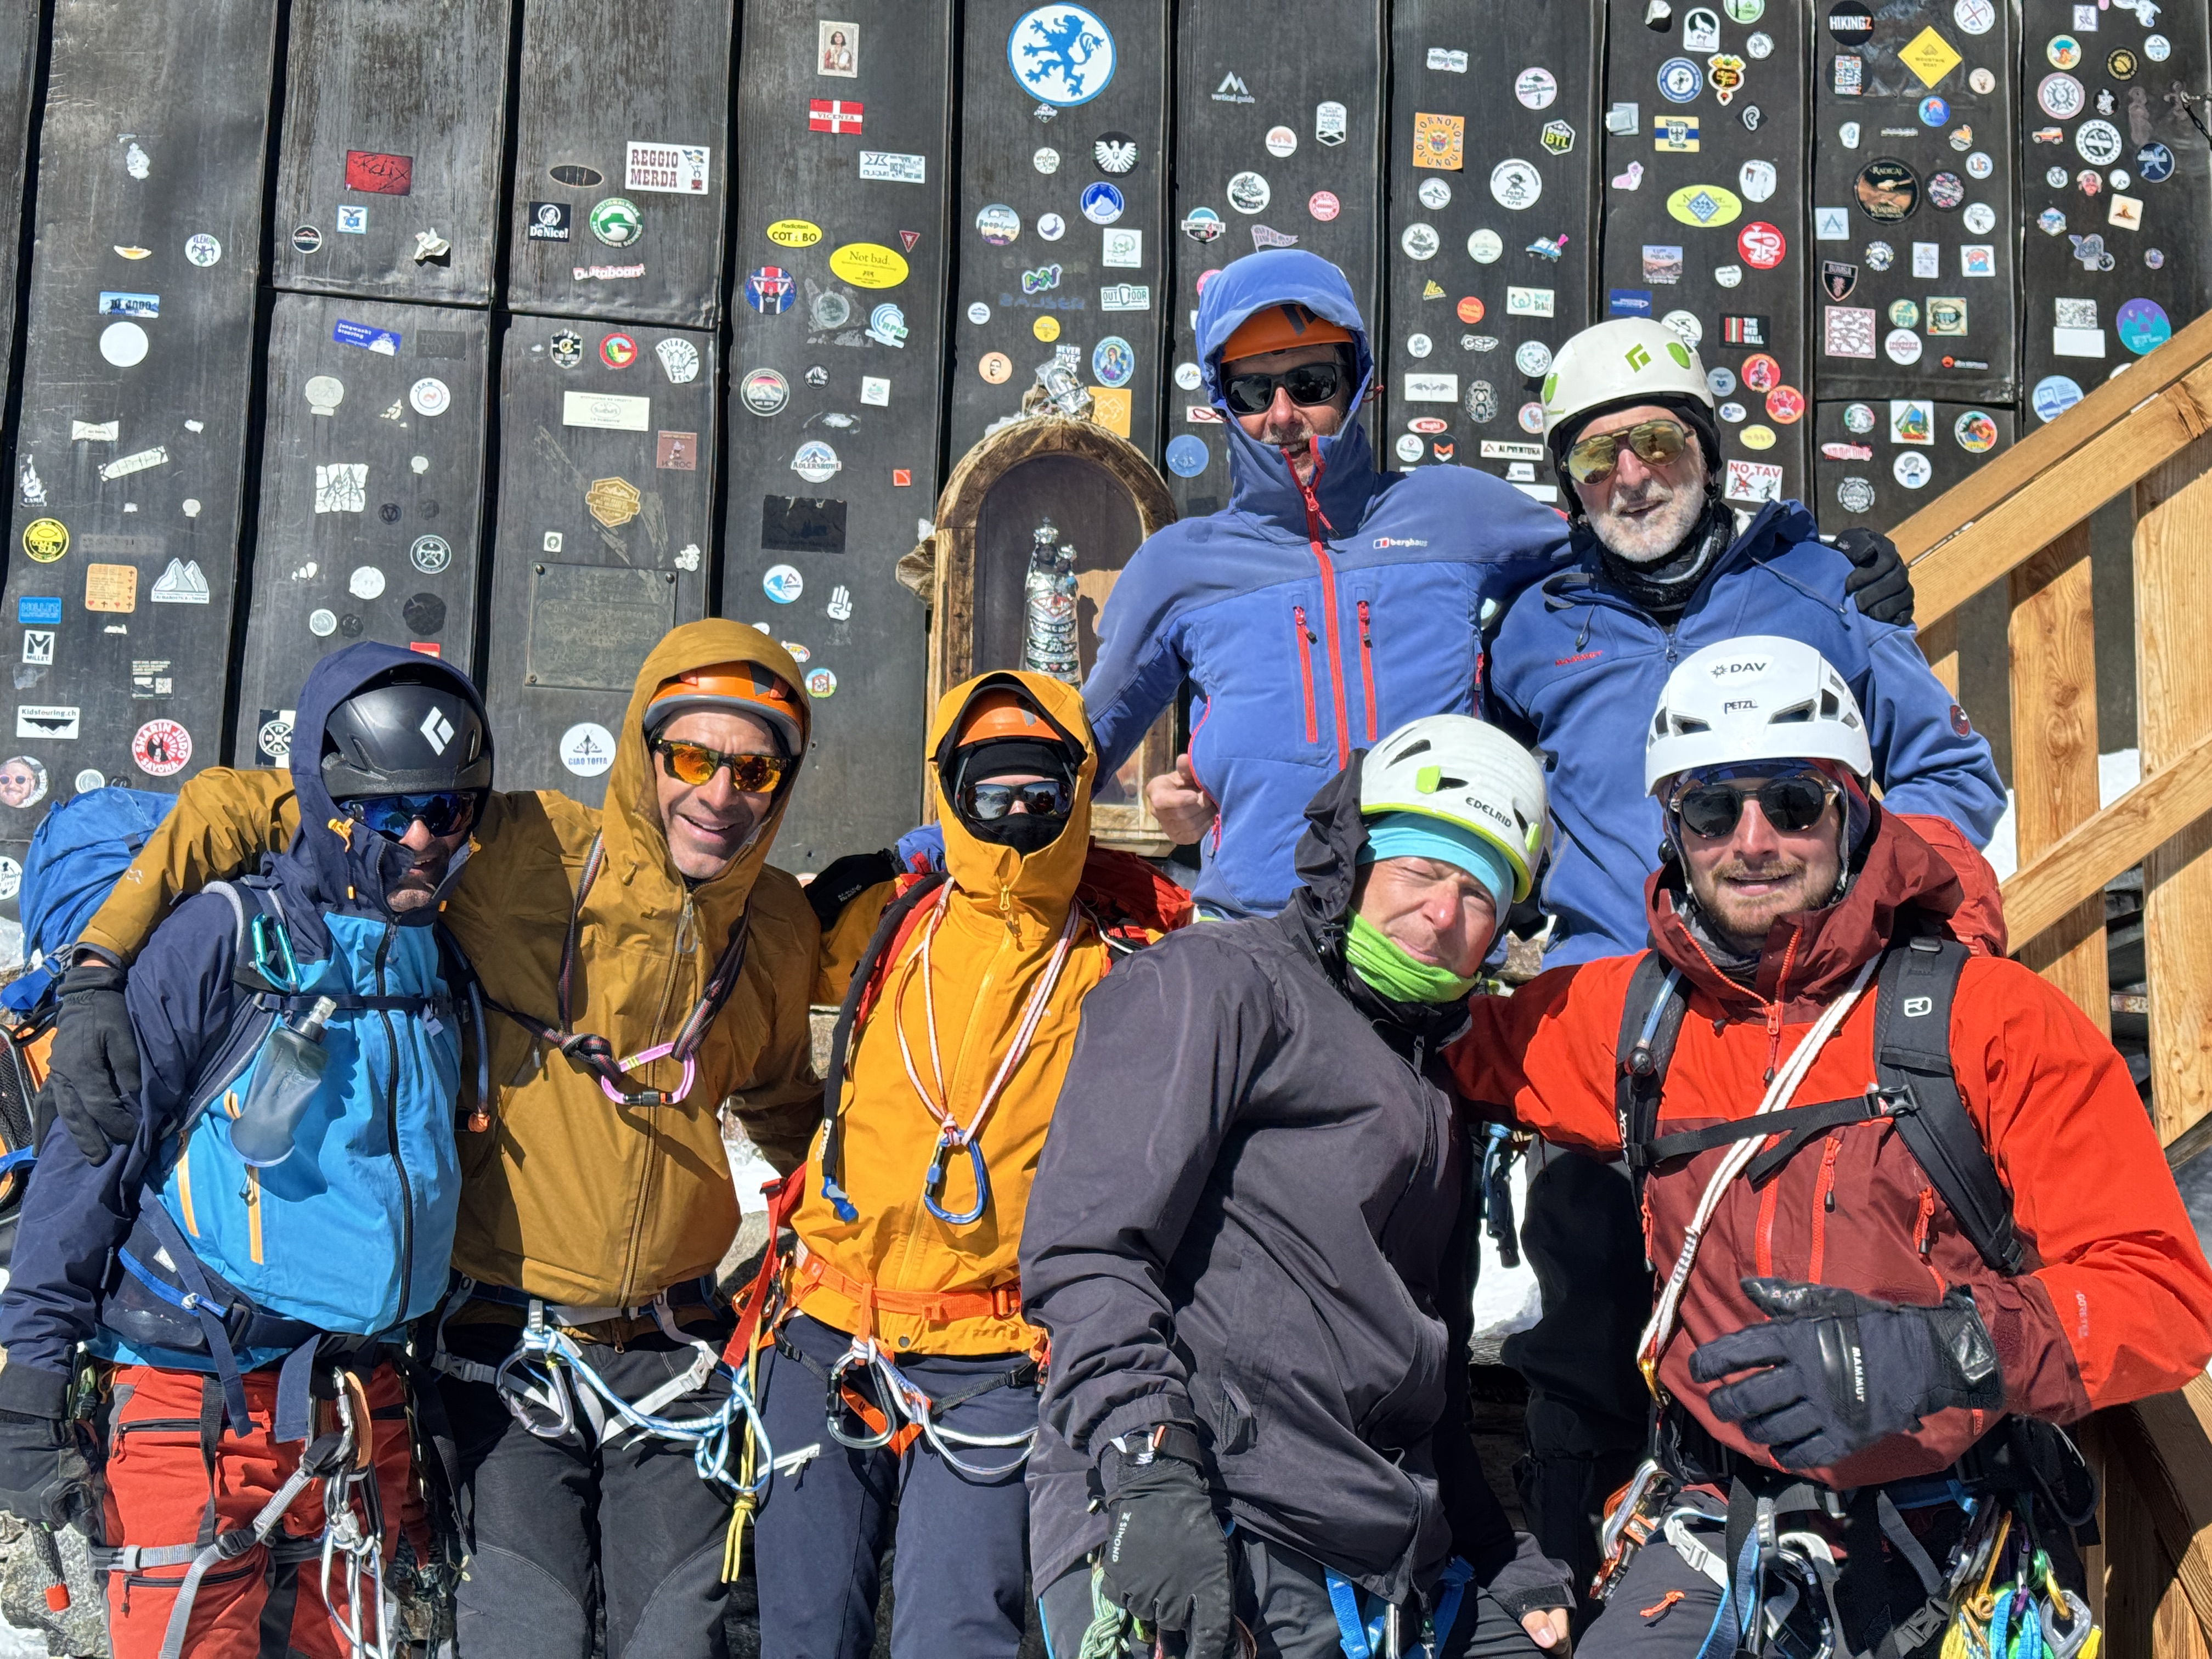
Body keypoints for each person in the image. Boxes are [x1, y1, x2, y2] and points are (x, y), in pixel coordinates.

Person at [38, 622, 823, 1659]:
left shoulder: (777, 926)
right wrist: (100, 962)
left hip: (665, 1349)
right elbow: (258, 801)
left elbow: (785, 1104)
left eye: (756, 769)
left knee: (678, 1636)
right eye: (690, 757)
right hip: (502, 1345)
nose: (719, 793)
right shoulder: (530, 853)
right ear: (645, 750)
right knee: (525, 1634)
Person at [1444, 639, 2212, 1659]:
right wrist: (1323, 928)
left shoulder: (1990, 1021)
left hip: (1949, 1535)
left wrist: (1948, 1350)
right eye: (1712, 811)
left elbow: (2162, 1296)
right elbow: (1426, 1033)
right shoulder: (1632, 1020)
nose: (1753, 841)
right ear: (1673, 831)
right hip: (1715, 1524)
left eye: (1793, 803)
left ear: (1852, 809)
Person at [1479, 315, 2010, 1607]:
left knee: (1794, 1305)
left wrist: (1880, 911)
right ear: (1567, 486)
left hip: (1803, 1018)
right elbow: (1502, 797)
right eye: (1597, 460)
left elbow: (1950, 772)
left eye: (1659, 445)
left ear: (1711, 454)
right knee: (1586, 1305)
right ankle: (1579, 1577)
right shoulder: (1536, 629)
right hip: (1615, 1021)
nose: (1633, 480)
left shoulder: (1816, 590)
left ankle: (1823, 1582)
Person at [1081, 251, 1914, 923]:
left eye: (1312, 384)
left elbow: (1631, 530)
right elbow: (1078, 751)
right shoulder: (1179, 566)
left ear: (1358, 380)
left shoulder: (1453, 511)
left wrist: (1818, 556)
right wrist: (1148, 817)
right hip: (1255, 927)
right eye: (1252, 391)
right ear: (1222, 402)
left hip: (1429, 938)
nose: (1283, 415)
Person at [1021, 715, 1577, 1659]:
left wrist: (1493, 1550)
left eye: (1479, 893)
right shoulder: (1216, 983)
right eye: (1418, 870)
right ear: (1351, 859)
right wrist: (1150, 1471)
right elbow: (1089, 1250)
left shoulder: (1434, 1083)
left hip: (1369, 1546)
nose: (1441, 914)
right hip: (1206, 1508)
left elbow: (1425, 1364)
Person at [0, 644, 489, 1657]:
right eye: (390, 813)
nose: (423, 840)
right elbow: (91, 1160)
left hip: (359, 1401)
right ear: (328, 801)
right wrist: (30, 1380)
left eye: (449, 810)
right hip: (194, 1398)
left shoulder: (442, 961)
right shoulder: (222, 941)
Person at [736, 670, 1186, 1658]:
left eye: (1042, 792)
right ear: (951, 791)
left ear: (1078, 788)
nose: (1017, 816)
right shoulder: (887, 915)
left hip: (993, 1355)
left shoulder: (1130, 952)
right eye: (990, 793)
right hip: (824, 1329)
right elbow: (739, 937)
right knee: (803, 1632)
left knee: (957, 1632)